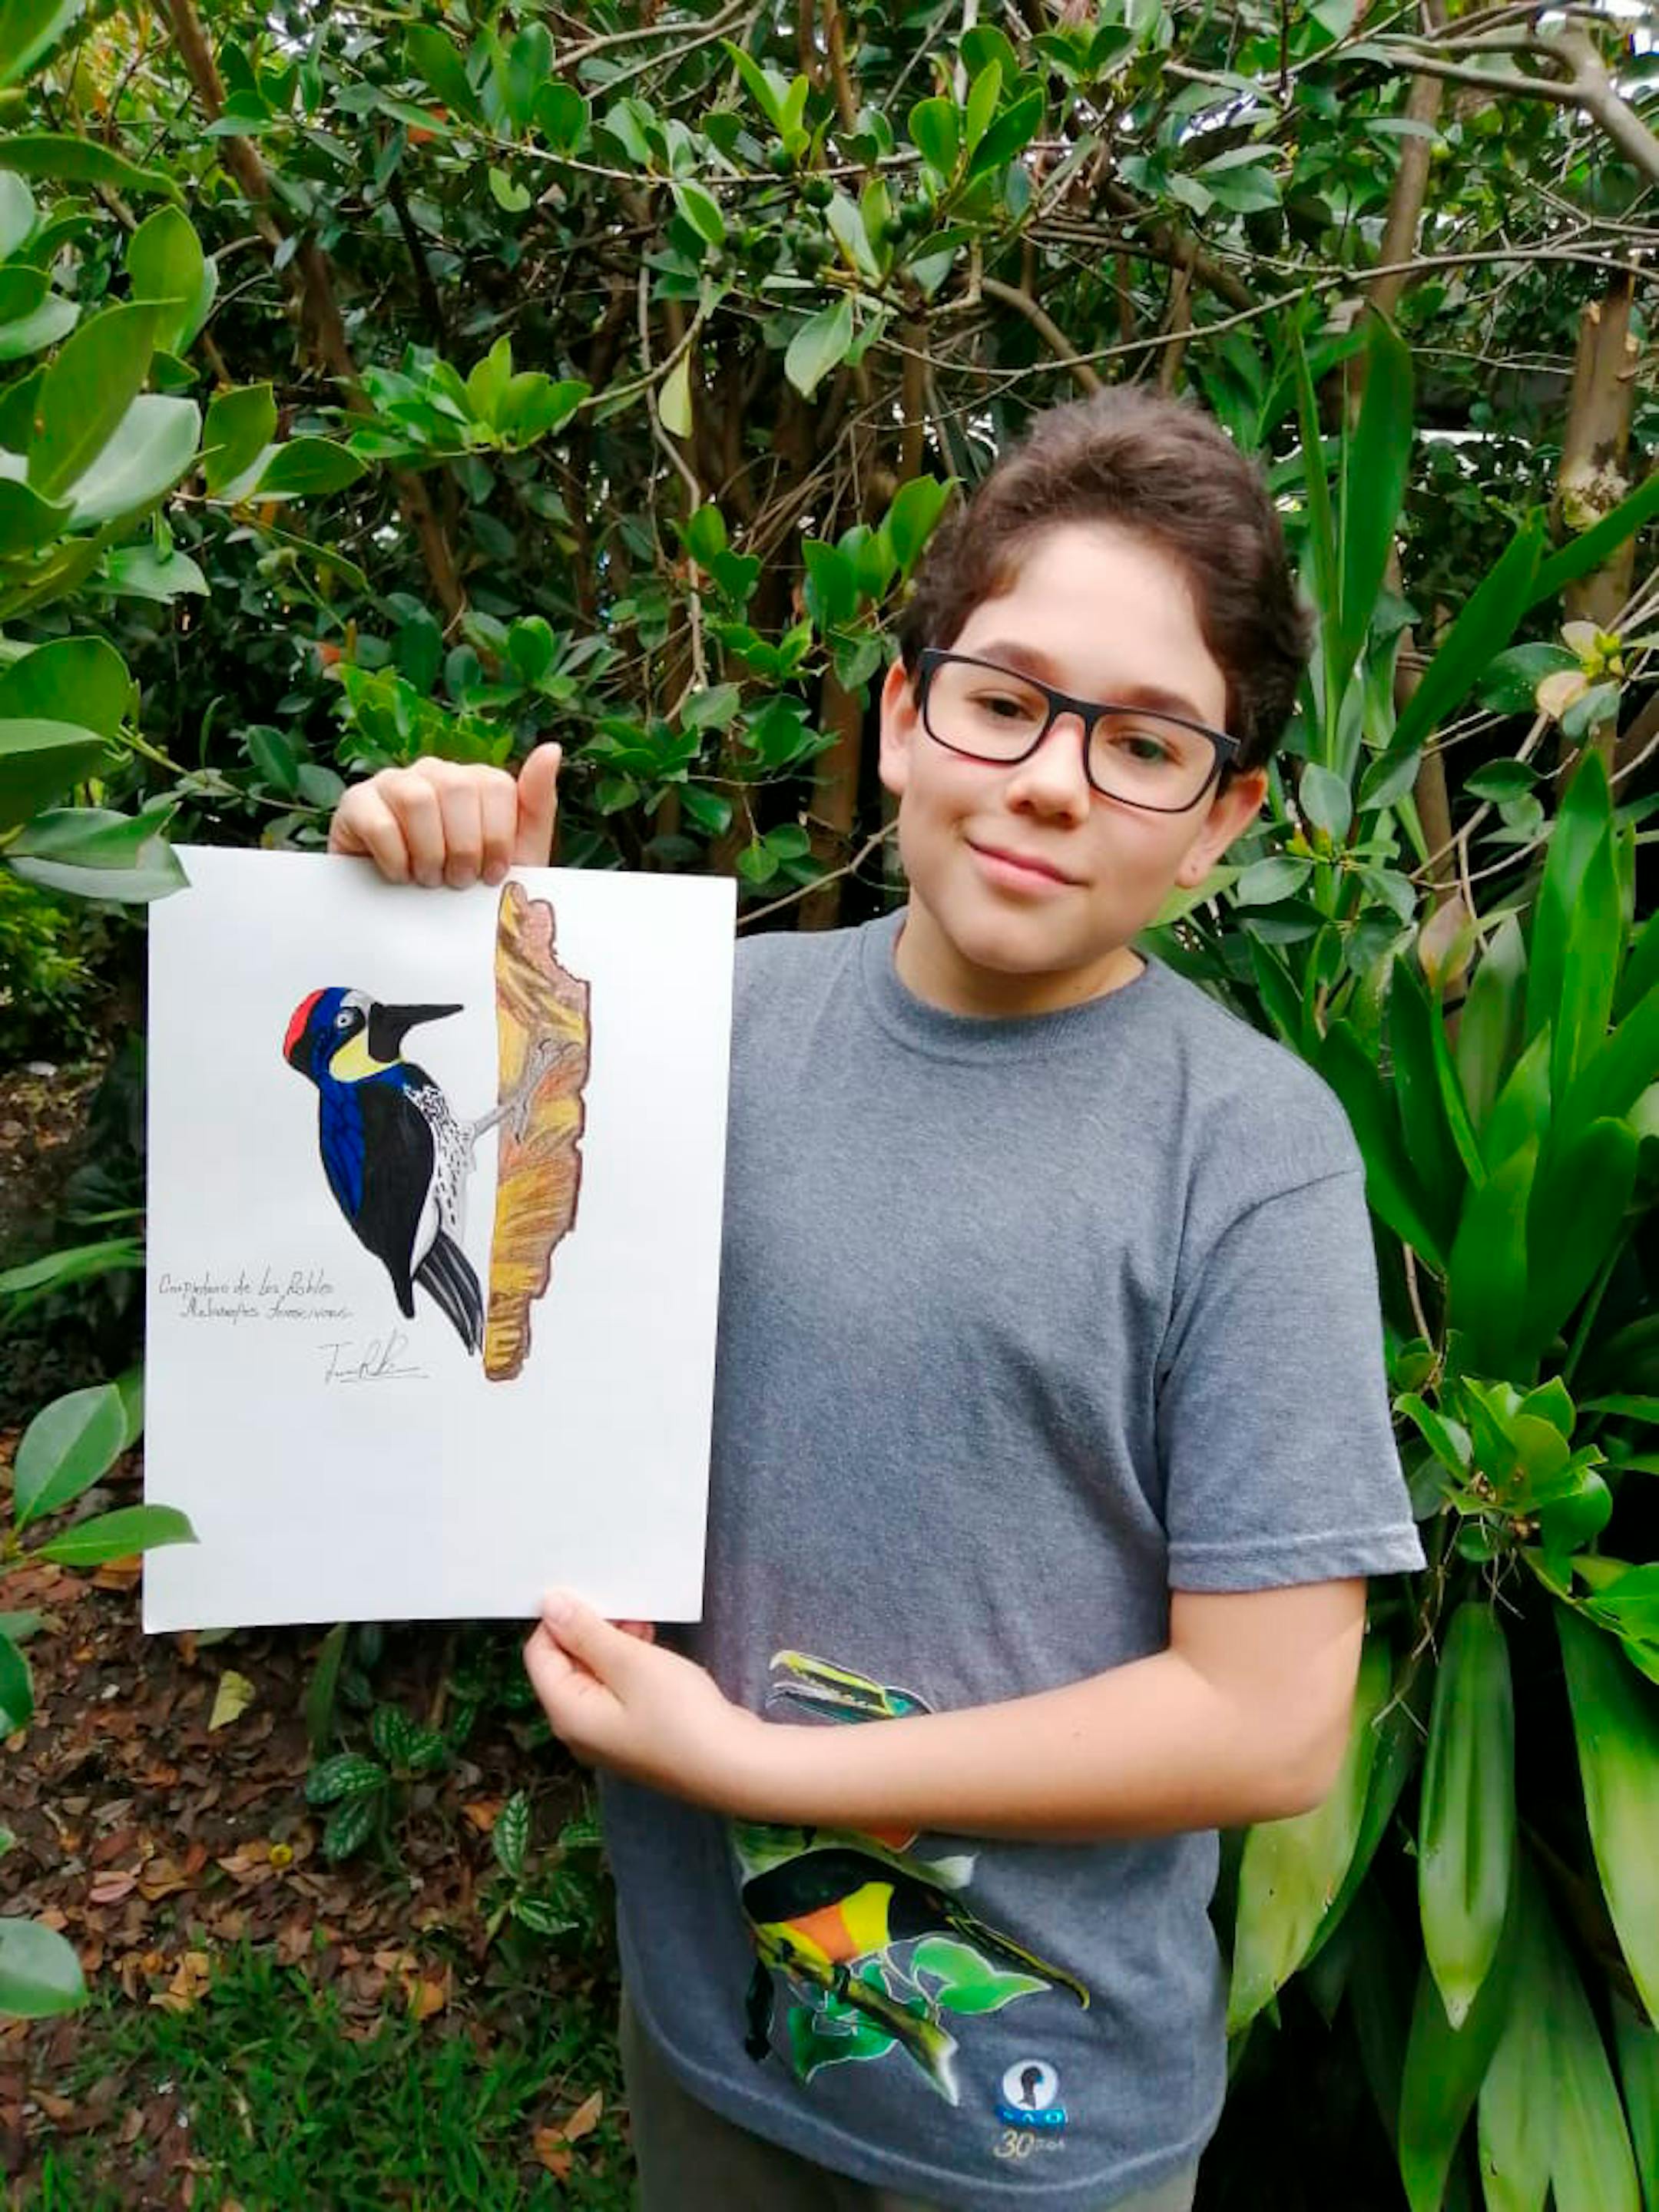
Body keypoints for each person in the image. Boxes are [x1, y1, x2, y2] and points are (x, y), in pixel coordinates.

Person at [329, 386, 1426, 2212]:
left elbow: (1270, 1720)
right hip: (711, 2040)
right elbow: (493, 1304)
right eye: (1007, 702)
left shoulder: (1248, 1152)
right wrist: (427, 908)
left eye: (1147, 744)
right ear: (906, 719)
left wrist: (770, 1766)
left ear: (1223, 820)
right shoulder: (704, 1034)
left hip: (1043, 2119)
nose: (1055, 778)